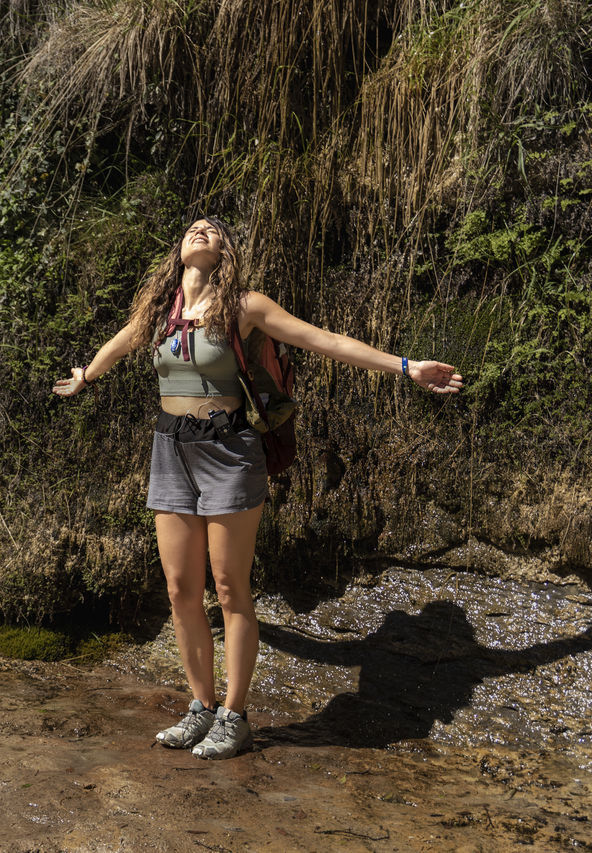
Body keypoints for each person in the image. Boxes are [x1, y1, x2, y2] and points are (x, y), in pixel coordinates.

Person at [51, 216, 464, 759]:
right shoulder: (158, 311)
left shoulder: (244, 306)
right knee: (180, 589)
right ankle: (200, 708)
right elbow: (120, 344)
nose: (200, 231)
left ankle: (234, 716)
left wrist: (406, 366)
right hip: (170, 450)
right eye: (193, 227)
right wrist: (87, 376)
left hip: (229, 454)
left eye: (212, 229)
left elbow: (325, 340)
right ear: (179, 249)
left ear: (225, 250)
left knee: (228, 588)